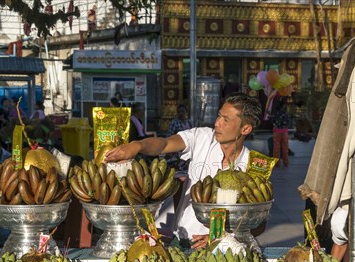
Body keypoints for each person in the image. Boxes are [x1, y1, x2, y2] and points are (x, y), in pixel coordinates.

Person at [104, 93, 263, 248]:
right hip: (182, 240)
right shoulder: (203, 138)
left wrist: (223, 237)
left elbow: (258, 224)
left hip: (225, 250)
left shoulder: (253, 167)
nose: (217, 123)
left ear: (245, 128)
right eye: (218, 116)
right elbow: (165, 144)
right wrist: (138, 145)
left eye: (225, 120)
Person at [271, 95, 290, 167]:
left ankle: (277, 163)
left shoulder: (275, 113)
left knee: (276, 148)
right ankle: (286, 163)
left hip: (277, 131)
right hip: (284, 131)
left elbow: (272, 121)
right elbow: (288, 122)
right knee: (285, 148)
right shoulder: (285, 113)